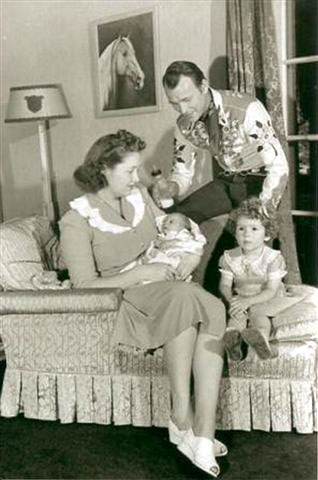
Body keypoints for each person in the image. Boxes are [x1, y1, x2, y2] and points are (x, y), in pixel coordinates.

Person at [59, 129, 227, 477]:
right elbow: (84, 285)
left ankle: (200, 432)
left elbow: (170, 230)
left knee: (208, 307)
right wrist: (141, 273)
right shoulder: (76, 220)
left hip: (166, 286)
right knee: (193, 301)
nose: (136, 178)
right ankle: (186, 421)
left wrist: (188, 258)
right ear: (104, 169)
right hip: (127, 296)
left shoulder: (138, 196)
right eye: (129, 171)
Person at [152, 61, 289, 224]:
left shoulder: (247, 108)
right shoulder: (183, 125)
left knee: (246, 239)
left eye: (187, 99)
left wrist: (262, 210)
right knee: (177, 219)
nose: (182, 110)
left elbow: (278, 167)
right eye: (174, 103)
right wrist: (171, 188)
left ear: (203, 86)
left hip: (259, 181)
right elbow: (182, 173)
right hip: (227, 181)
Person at [218, 197, 303, 361]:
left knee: (259, 317)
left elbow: (271, 290)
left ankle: (262, 341)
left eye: (254, 229)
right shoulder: (229, 257)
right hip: (242, 297)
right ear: (235, 233)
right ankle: (233, 342)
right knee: (236, 317)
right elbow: (224, 285)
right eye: (241, 228)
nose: (246, 234)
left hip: (266, 297)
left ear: (267, 235)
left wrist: (249, 302)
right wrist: (233, 301)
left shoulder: (272, 258)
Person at [142, 212, 206, 282]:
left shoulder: (183, 234)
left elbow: (196, 246)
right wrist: (158, 243)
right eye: (164, 222)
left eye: (171, 222)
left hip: (178, 259)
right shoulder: (162, 235)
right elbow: (156, 244)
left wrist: (175, 243)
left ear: (183, 226)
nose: (165, 224)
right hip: (163, 260)